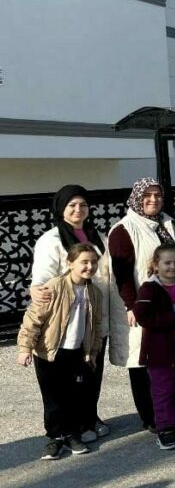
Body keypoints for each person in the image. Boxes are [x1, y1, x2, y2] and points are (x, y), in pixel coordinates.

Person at [29, 184, 123, 443]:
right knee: (64, 378)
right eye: (72, 205)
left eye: (82, 205)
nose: (78, 210)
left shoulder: (98, 237)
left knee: (91, 370)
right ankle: (66, 427)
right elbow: (44, 280)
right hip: (66, 321)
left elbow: (107, 273)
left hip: (94, 316)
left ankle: (89, 417)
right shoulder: (51, 240)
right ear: (61, 209)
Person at [17, 243, 104, 460]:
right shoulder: (54, 287)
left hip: (76, 352)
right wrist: (25, 347)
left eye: (93, 262)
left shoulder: (94, 292)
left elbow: (96, 326)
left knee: (75, 395)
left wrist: (92, 352)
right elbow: (33, 319)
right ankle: (55, 437)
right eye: (84, 262)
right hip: (50, 352)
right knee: (53, 397)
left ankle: (73, 434)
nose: (89, 266)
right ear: (70, 263)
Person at [107, 177, 175, 433]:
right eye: (147, 195)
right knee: (142, 360)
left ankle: (168, 409)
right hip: (140, 304)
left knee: (165, 357)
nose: (153, 200)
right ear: (136, 198)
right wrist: (131, 305)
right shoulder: (124, 229)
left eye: (158, 195)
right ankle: (149, 416)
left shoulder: (166, 223)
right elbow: (122, 273)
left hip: (168, 302)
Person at [133, 244, 175, 450]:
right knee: (163, 389)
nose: (172, 267)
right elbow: (143, 316)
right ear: (156, 265)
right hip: (160, 349)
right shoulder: (149, 288)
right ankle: (165, 429)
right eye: (167, 263)